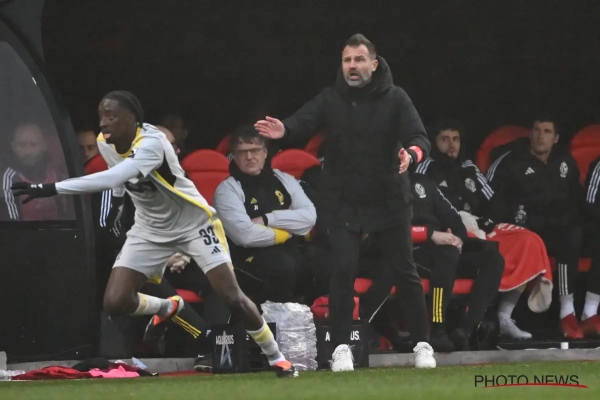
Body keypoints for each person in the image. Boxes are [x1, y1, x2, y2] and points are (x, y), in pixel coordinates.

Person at [11, 91, 297, 378]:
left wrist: (52, 188)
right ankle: (167, 306)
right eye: (101, 115)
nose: (104, 122)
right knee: (115, 302)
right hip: (150, 228)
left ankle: (277, 358)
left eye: (111, 116)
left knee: (232, 296)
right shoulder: (104, 142)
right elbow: (118, 177)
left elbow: (114, 177)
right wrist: (118, 202)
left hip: (193, 224)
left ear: (131, 119)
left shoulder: (152, 143)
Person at [255, 33, 436, 370]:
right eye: (347, 60)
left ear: (374, 64)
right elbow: (303, 121)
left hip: (389, 198)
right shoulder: (331, 98)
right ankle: (340, 347)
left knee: (404, 269)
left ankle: (422, 344)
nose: (352, 66)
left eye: (359, 59)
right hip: (344, 201)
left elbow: (419, 138)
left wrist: (410, 154)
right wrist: (285, 130)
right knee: (342, 270)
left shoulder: (396, 97)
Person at [416, 120, 553, 339]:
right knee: (485, 250)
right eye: (444, 139)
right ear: (434, 142)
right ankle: (440, 327)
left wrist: (489, 220)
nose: (451, 145)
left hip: (479, 226)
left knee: (529, 240)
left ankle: (503, 316)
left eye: (455, 139)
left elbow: (494, 200)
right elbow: (427, 209)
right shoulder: (426, 168)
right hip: (449, 233)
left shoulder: (468, 167)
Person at [486, 117, 600, 339]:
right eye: (537, 130)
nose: (541, 136)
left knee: (582, 233)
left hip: (562, 227)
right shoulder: (511, 162)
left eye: (547, 132)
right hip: (528, 230)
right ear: (530, 134)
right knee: (569, 235)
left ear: (555, 138)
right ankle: (566, 313)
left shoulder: (565, 162)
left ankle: (587, 313)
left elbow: (579, 201)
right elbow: (492, 198)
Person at [214, 126, 325, 306]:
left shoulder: (284, 179)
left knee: (326, 261)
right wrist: (286, 232)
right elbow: (245, 236)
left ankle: (309, 312)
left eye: (255, 150)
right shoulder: (227, 189)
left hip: (289, 252)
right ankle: (274, 318)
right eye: (242, 152)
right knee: (281, 266)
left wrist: (267, 220)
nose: (250, 157)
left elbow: (309, 218)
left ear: (265, 152)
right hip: (247, 259)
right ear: (234, 156)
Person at [1, 123, 73, 221]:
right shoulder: (8, 178)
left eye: (33, 145)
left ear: (44, 146)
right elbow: (12, 223)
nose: (28, 152)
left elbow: (69, 214)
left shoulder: (58, 175)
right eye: (22, 145)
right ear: (13, 147)